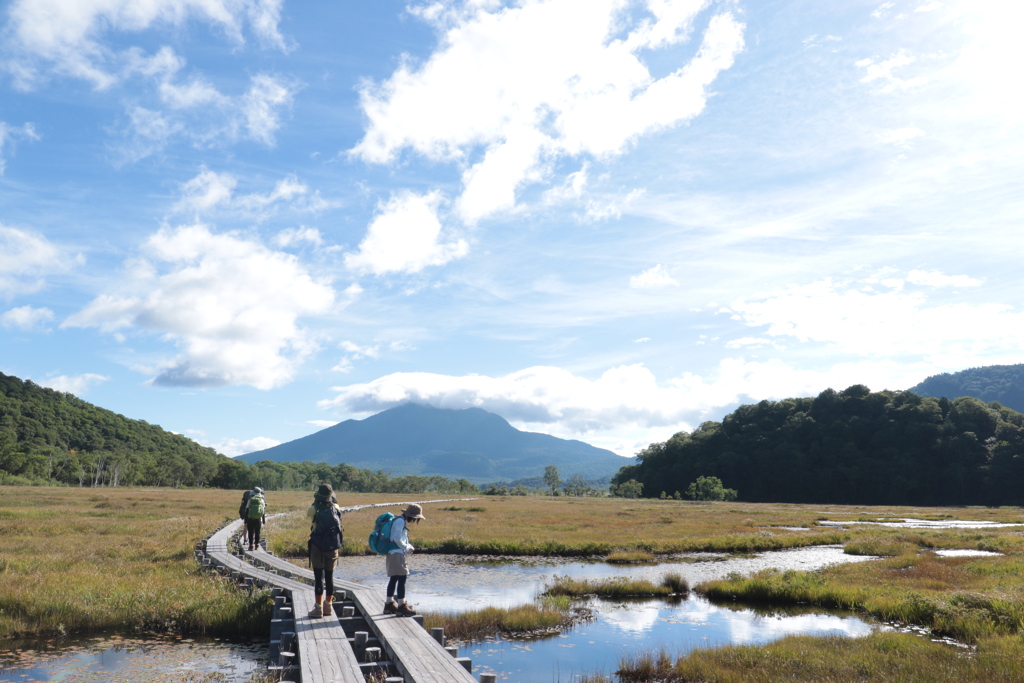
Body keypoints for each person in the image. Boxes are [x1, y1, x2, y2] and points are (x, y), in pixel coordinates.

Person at [306, 484, 344, 618]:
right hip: (333, 547)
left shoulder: (313, 508)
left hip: (317, 546)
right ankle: (328, 606)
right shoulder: (336, 507)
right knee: (329, 577)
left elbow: (308, 515)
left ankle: (318, 609)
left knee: (318, 578)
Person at [384, 503, 425, 617]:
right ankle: (401, 606)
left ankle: (389, 604)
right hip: (397, 554)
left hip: (394, 553)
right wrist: (407, 548)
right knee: (402, 578)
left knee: (394, 578)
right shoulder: (400, 521)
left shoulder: (399, 520)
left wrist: (408, 545)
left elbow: (398, 537)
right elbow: (396, 538)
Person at [243, 487, 266, 551]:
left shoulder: (250, 500)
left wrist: (246, 520)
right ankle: (257, 544)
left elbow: (247, 509)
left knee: (251, 531)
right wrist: (263, 520)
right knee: (257, 532)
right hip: (258, 518)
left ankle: (251, 545)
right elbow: (263, 511)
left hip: (251, 518)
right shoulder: (262, 500)